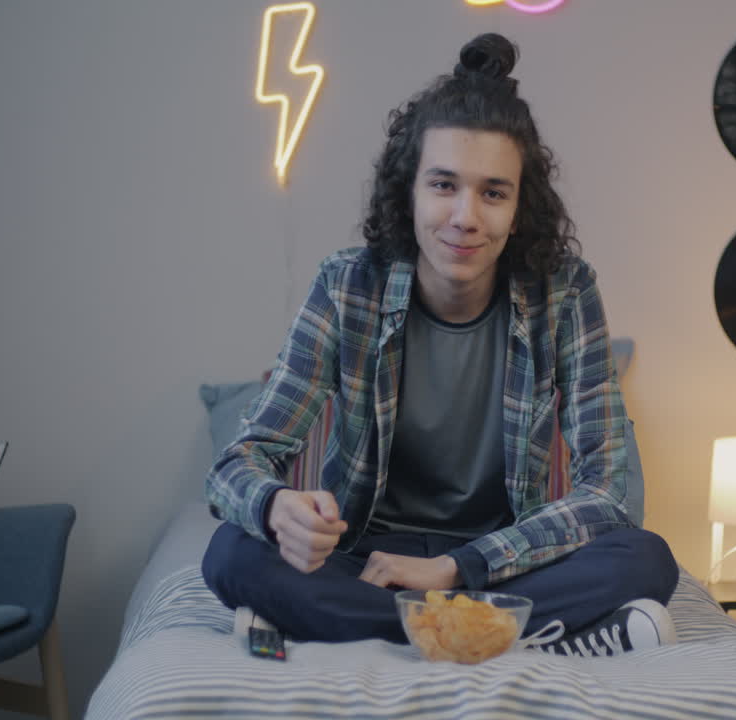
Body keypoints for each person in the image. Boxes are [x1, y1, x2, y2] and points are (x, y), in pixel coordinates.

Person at [203, 32, 679, 657]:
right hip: (368, 559)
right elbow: (237, 464)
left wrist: (459, 567)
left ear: (518, 208)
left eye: (493, 192)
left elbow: (615, 492)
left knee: (646, 559)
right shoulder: (346, 286)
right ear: (410, 190)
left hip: (498, 564)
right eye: (443, 185)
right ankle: (510, 635)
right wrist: (275, 508)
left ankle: (372, 625)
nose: (465, 217)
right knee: (231, 554)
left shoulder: (564, 292)